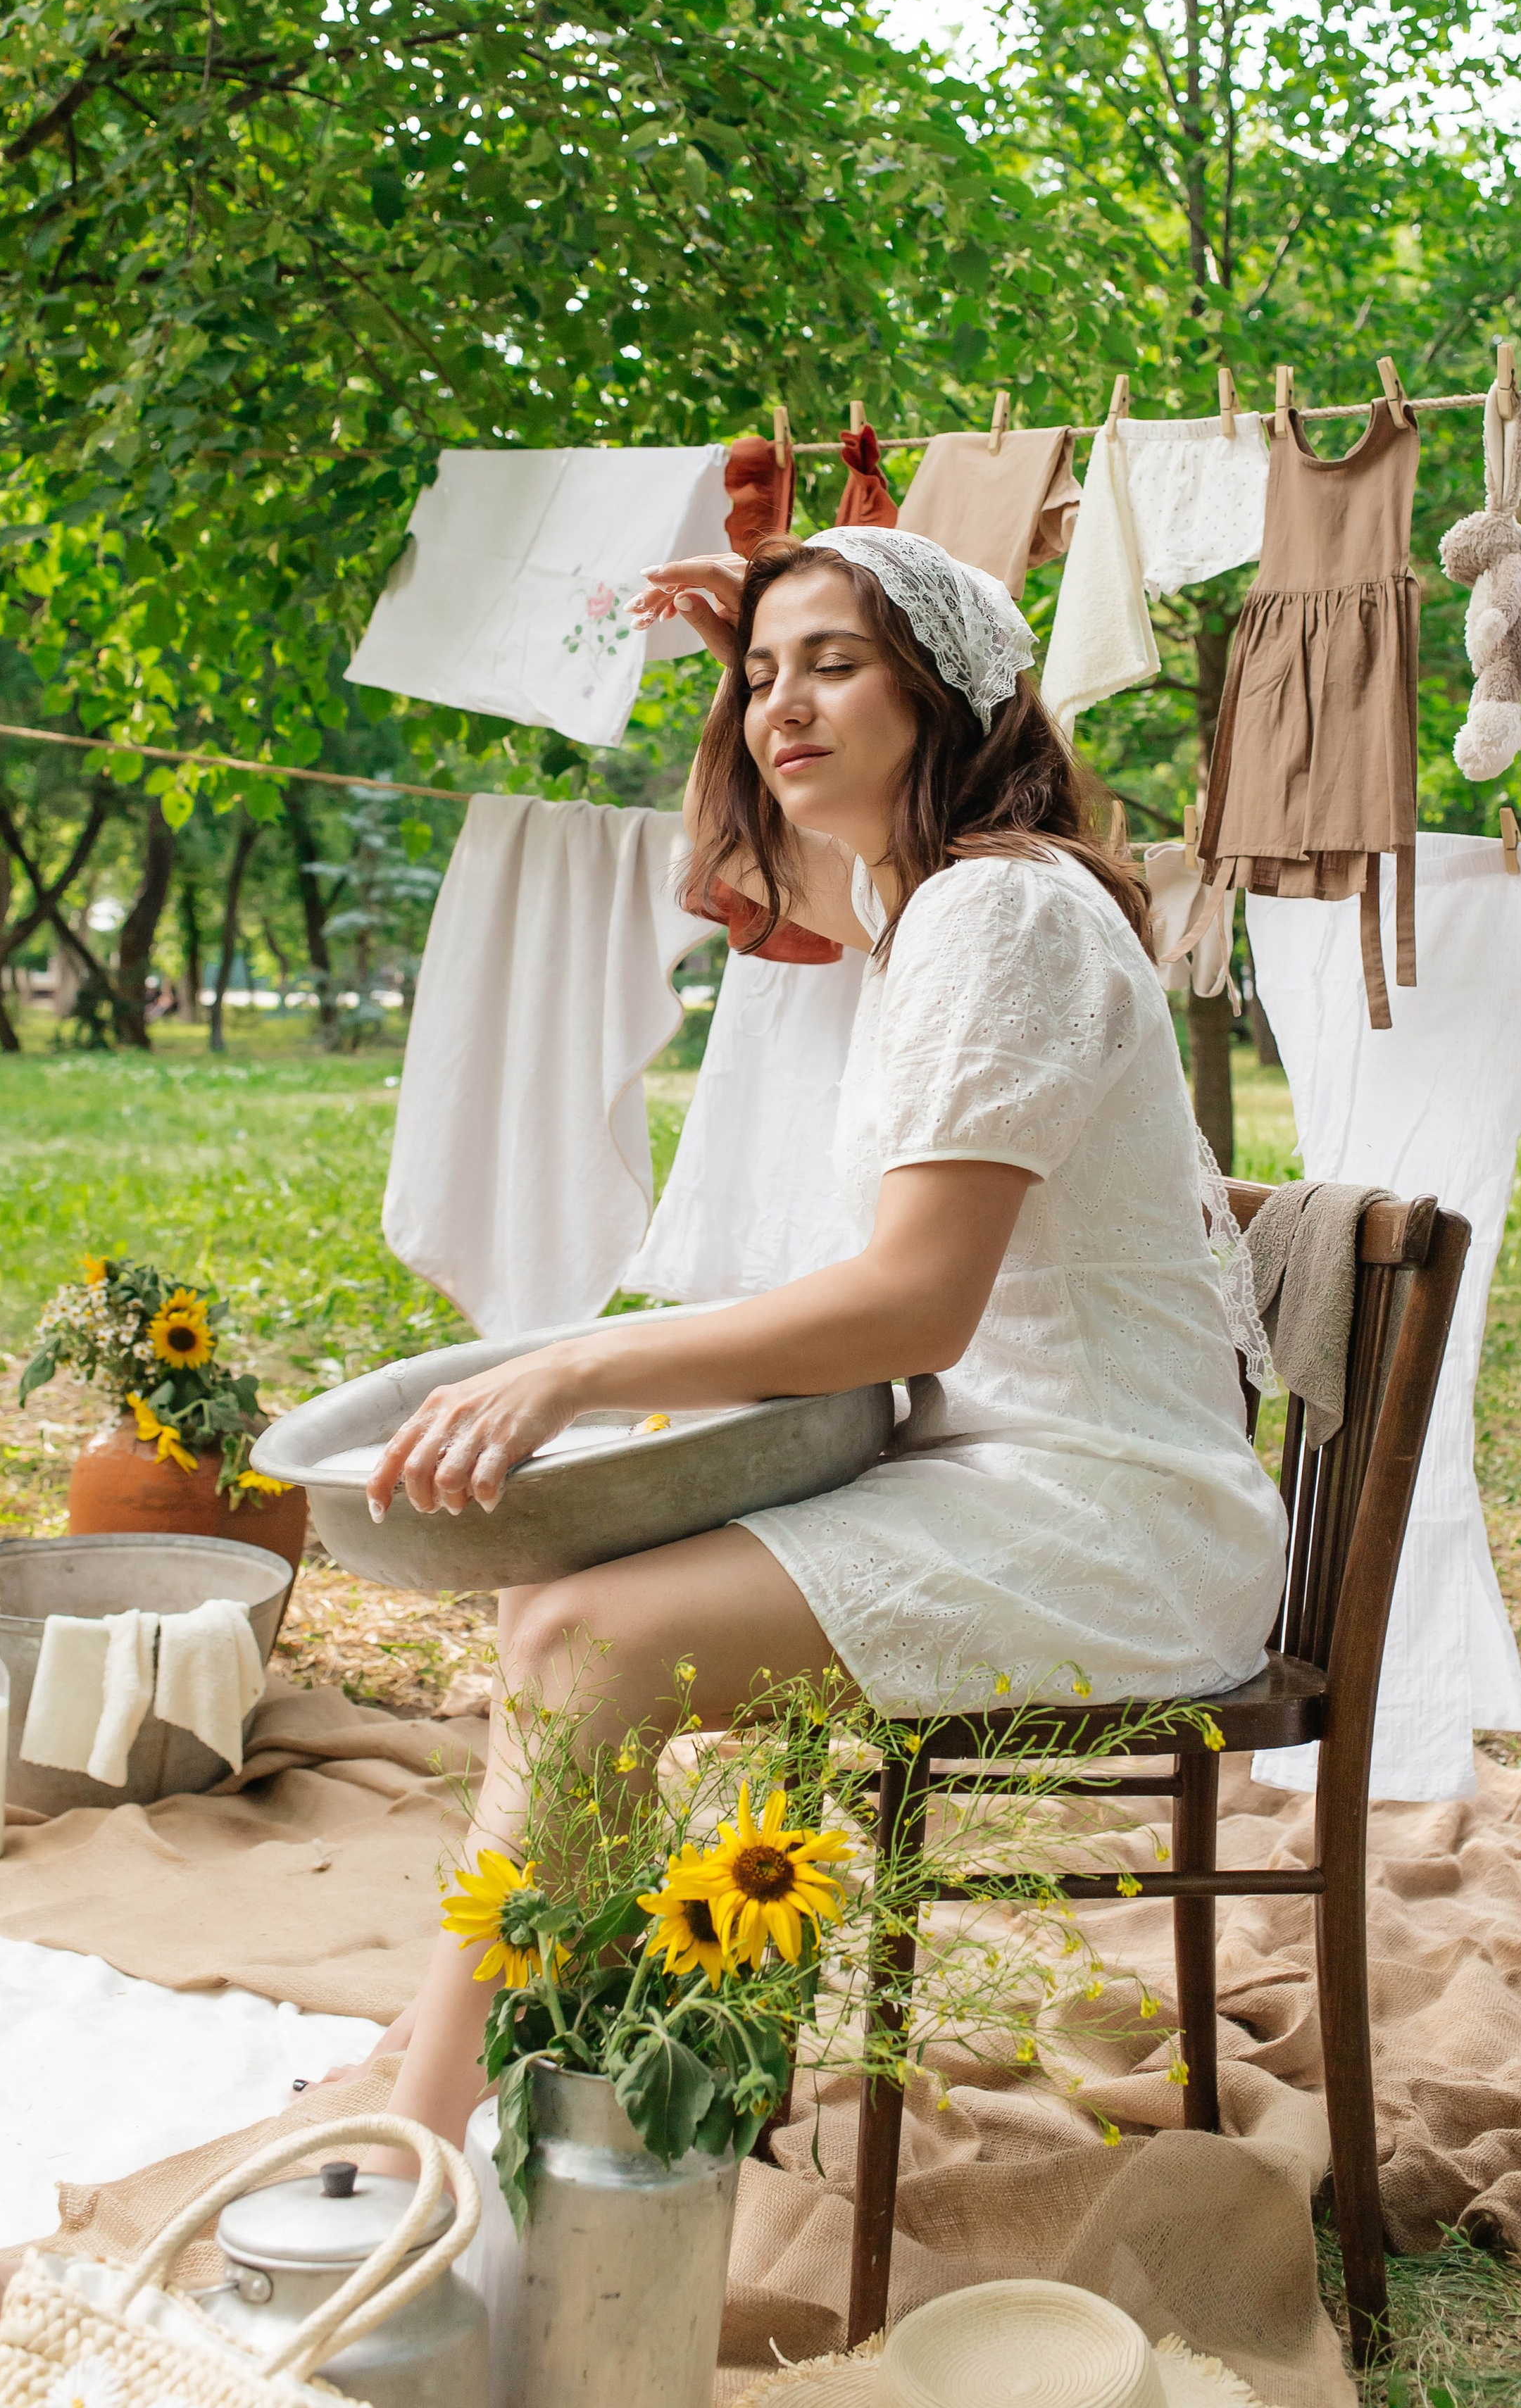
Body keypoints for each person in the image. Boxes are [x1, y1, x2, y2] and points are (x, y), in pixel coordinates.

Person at [361, 524, 1287, 2152]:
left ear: (949, 695)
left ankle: (428, 2139)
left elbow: (915, 1302)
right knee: (554, 1625)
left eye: (837, 667)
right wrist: (749, 652)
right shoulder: (926, 905)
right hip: (1008, 1477)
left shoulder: (1001, 919)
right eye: (762, 680)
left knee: (584, 1647)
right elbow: (751, 871)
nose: (779, 708)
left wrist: (571, 1362)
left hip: (1113, 1511)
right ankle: (519, 2072)